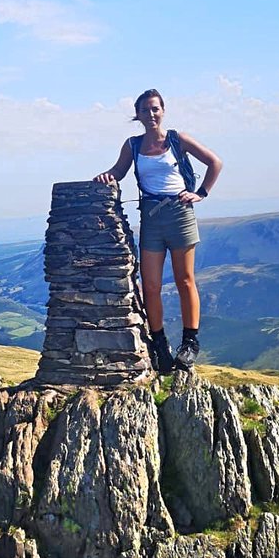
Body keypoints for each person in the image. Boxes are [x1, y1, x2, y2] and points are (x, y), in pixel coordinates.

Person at [94, 88, 222, 373]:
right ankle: (160, 344)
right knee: (150, 286)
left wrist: (201, 192)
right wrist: (106, 176)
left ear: (163, 111)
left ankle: (189, 344)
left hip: (179, 214)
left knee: (184, 280)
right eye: (145, 110)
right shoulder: (133, 145)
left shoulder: (177, 139)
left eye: (155, 109)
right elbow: (118, 171)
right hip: (151, 219)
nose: (151, 114)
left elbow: (215, 162)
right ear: (137, 115)